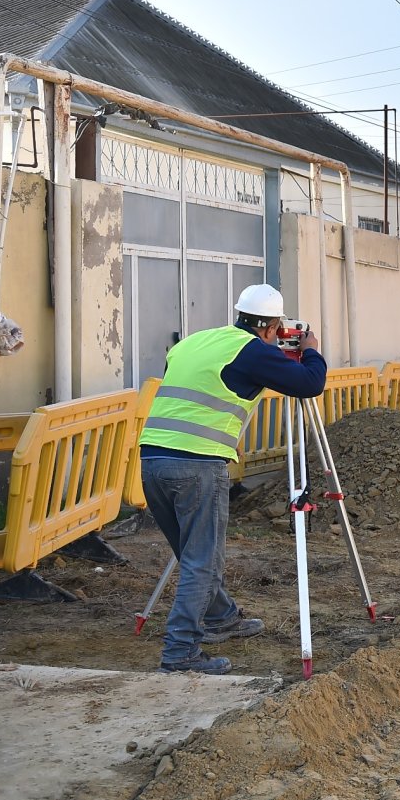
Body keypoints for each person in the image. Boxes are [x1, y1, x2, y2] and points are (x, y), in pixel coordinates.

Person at [139, 283, 327, 674]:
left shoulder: (197, 341)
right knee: (202, 561)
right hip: (197, 466)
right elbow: (310, 383)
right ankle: (180, 652)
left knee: (193, 555)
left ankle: (221, 617)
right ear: (272, 327)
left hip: (153, 459)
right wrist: (309, 348)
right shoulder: (253, 350)